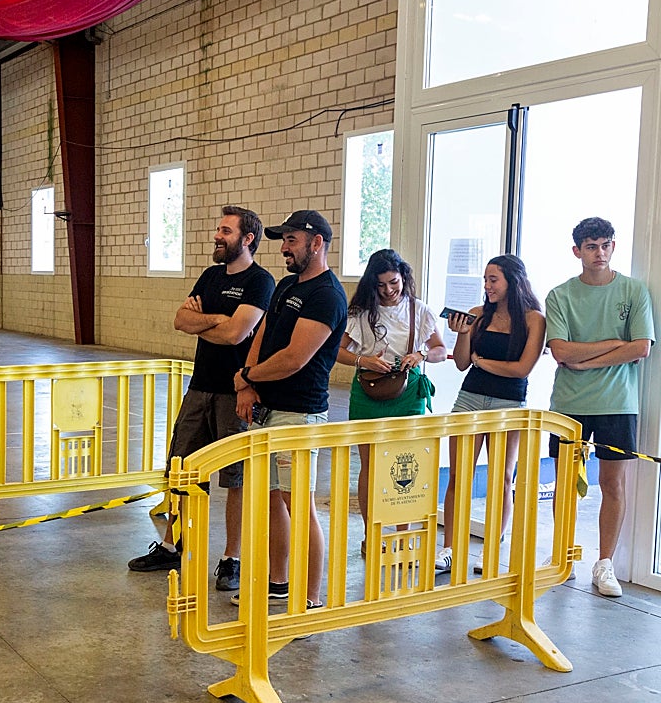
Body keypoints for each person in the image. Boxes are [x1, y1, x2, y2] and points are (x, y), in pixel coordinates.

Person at [127, 206, 273, 591]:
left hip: (236, 392)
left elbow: (237, 334)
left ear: (247, 239)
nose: (216, 236)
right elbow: (181, 320)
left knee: (235, 479)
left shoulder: (260, 282)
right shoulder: (210, 276)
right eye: (218, 229)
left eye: (225, 230)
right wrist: (217, 320)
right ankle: (172, 545)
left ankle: (231, 558)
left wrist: (205, 322)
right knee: (183, 469)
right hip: (199, 387)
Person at [233, 210, 348, 610]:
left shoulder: (327, 295)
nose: (284, 247)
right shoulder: (285, 286)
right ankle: (278, 582)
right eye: (283, 240)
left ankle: (310, 599)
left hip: (298, 414)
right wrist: (247, 382)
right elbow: (262, 334)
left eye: (292, 240)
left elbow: (294, 358)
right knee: (270, 499)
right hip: (266, 408)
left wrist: (247, 375)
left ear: (317, 243)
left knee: (298, 504)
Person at [546, 217, 653, 597]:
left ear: (613, 247)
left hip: (618, 403)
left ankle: (604, 563)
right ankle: (562, 556)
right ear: (577, 251)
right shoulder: (560, 295)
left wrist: (585, 361)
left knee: (613, 483)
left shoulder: (633, 290)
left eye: (606, 245)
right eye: (591, 246)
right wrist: (613, 344)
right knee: (565, 483)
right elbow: (560, 350)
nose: (600, 253)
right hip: (569, 404)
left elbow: (641, 347)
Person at [440, 255, 545, 574]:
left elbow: (521, 369)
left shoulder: (533, 319)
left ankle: (491, 549)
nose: (487, 286)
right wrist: (462, 334)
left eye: (493, 279)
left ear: (513, 281)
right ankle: (450, 549)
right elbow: (461, 363)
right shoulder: (478, 314)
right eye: (485, 279)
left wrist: (482, 361)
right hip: (469, 399)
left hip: (508, 403)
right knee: (459, 475)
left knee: (502, 478)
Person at [336, 249, 445, 545]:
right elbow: (337, 351)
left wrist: (420, 354)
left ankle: (402, 533)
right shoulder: (361, 312)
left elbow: (440, 349)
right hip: (368, 388)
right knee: (369, 465)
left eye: (393, 282)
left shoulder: (419, 310)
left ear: (403, 278)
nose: (388, 290)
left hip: (408, 391)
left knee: (404, 462)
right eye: (381, 285)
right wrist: (365, 360)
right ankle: (371, 535)